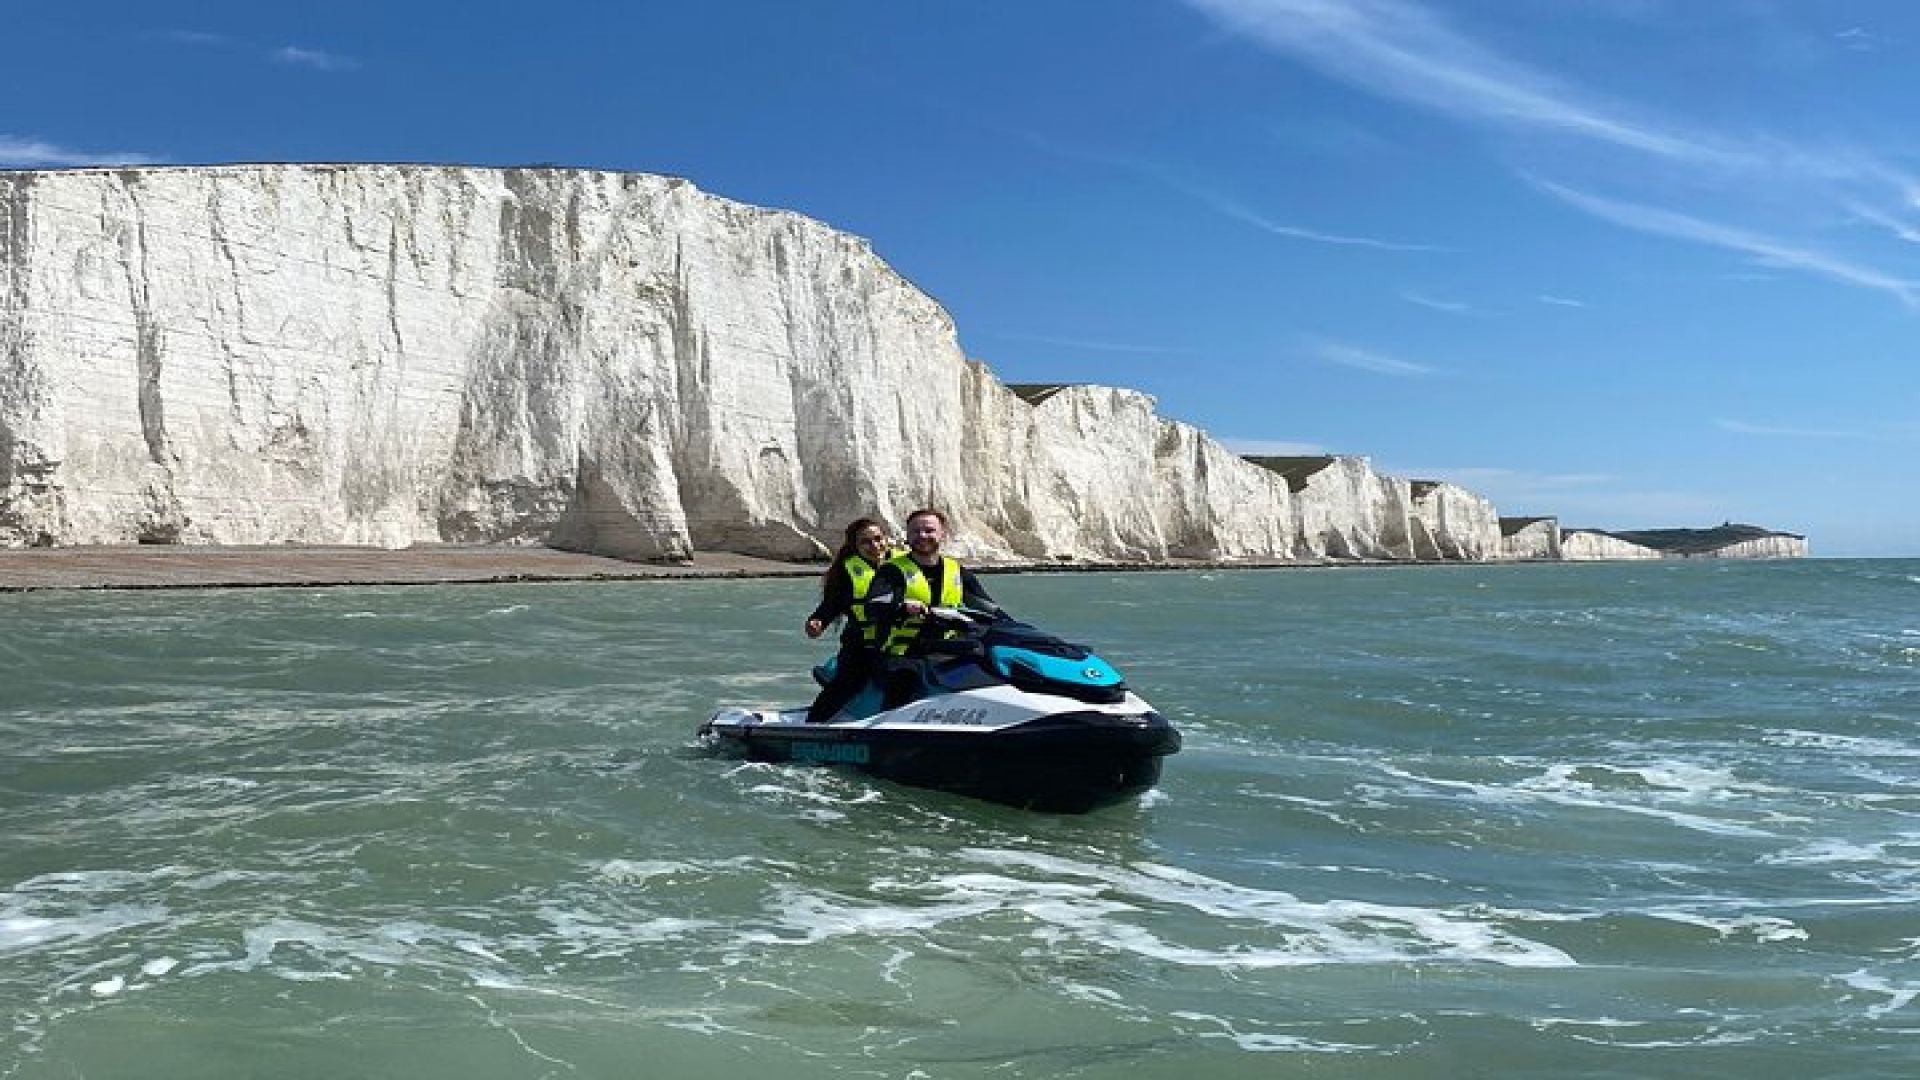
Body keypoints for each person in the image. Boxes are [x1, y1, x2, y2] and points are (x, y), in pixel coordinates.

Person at [862, 508, 1003, 708]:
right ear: (907, 535)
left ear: (942, 534)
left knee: (992, 667)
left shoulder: (956, 570)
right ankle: (889, 728)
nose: (922, 536)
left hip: (950, 648)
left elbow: (987, 607)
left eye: (929, 530)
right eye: (915, 531)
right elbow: (874, 606)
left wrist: (1010, 625)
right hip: (903, 652)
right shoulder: (892, 570)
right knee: (906, 678)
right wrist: (902, 607)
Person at [802, 517, 896, 724]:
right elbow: (831, 605)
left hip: (901, 641)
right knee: (849, 681)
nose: (875, 546)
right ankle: (814, 725)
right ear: (855, 546)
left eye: (878, 539)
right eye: (866, 542)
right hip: (862, 645)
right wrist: (817, 622)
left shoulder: (905, 563)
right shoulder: (848, 571)